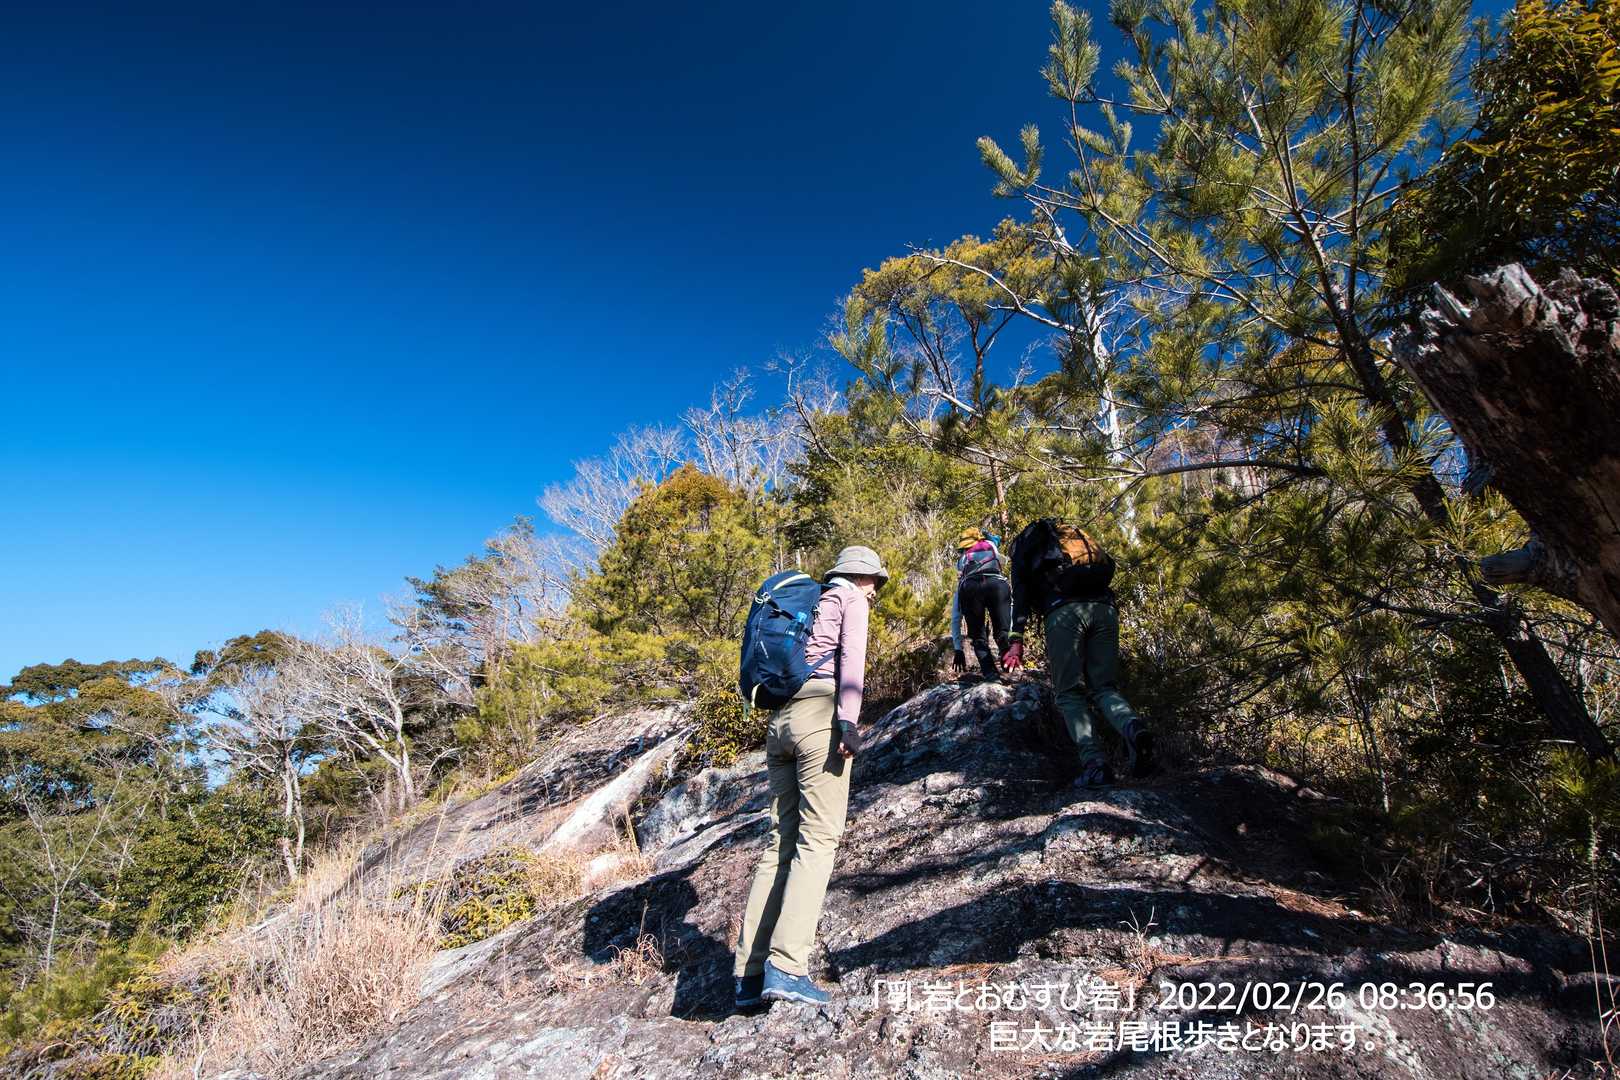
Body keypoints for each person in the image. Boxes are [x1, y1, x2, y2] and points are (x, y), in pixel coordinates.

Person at [734, 545, 888, 1008]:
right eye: (876, 581)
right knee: (818, 839)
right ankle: (786, 966)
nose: (876, 591)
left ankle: (748, 975)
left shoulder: (811, 600)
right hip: (820, 717)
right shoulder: (850, 598)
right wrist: (849, 721)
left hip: (779, 722)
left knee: (779, 842)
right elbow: (852, 661)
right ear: (861, 577)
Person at [1002, 519, 1153, 789]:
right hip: (1105, 608)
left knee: (1069, 692)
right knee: (1104, 687)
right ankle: (1132, 726)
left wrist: (1016, 640)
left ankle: (1095, 765)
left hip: (1065, 614)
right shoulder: (1074, 539)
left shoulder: (1025, 549)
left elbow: (1021, 596)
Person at [949, 526, 1012, 682]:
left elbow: (956, 616)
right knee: (1003, 631)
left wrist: (958, 649)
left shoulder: (962, 561)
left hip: (971, 589)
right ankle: (1007, 661)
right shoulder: (990, 545)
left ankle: (991, 675)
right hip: (998, 585)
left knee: (978, 637)